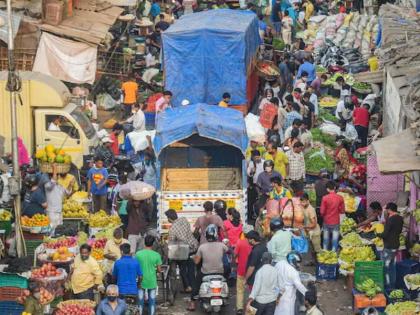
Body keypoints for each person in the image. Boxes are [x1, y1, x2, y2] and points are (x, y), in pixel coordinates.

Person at [187, 224, 228, 311]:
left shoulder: (202, 247)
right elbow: (229, 251)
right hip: (220, 272)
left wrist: (194, 258)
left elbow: (197, 262)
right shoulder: (221, 245)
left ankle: (192, 303)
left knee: (196, 284)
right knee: (226, 277)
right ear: (216, 235)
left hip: (205, 272)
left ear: (206, 235)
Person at [165, 209, 198, 293]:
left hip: (184, 250)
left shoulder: (172, 229)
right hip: (193, 246)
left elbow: (172, 241)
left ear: (169, 218)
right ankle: (194, 286)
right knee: (191, 269)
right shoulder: (184, 219)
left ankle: (187, 287)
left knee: (183, 269)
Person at [377, 202, 403, 289]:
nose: (386, 211)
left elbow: (385, 234)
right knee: (392, 267)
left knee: (385, 268)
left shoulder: (391, 219)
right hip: (396, 245)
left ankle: (387, 287)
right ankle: (392, 286)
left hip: (389, 246)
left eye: (387, 210)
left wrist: (378, 234)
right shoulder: (400, 218)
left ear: (390, 210)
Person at [135, 235, 162, 315]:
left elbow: (136, 267)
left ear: (144, 243)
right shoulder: (157, 255)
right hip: (152, 281)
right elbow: (159, 270)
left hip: (140, 281)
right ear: (153, 244)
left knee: (140, 301)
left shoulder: (138, 254)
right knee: (152, 301)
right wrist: (157, 270)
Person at [45, 165, 72, 229]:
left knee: (59, 230)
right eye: (57, 175)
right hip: (51, 212)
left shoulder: (59, 186)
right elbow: (53, 181)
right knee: (51, 230)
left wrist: (70, 185)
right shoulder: (48, 185)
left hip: (59, 212)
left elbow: (67, 193)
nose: (59, 177)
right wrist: (55, 170)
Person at [320, 181, 345, 251]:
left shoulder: (324, 198)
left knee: (326, 239)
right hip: (336, 221)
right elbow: (342, 211)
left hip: (327, 221)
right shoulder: (340, 198)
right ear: (334, 187)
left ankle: (325, 253)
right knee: (335, 239)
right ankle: (334, 254)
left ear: (327, 189)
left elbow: (322, 212)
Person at [235, 225, 253, 315]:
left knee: (240, 290)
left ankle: (239, 308)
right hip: (252, 271)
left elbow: (235, 255)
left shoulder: (239, 242)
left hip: (241, 270)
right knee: (252, 290)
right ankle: (251, 307)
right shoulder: (254, 243)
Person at [301, 193, 322, 262]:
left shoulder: (311, 209)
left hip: (315, 233)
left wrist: (304, 226)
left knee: (317, 250)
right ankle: (313, 262)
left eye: (303, 202)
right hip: (309, 232)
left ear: (307, 201)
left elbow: (314, 224)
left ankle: (320, 264)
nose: (302, 203)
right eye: (301, 202)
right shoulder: (303, 207)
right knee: (312, 250)